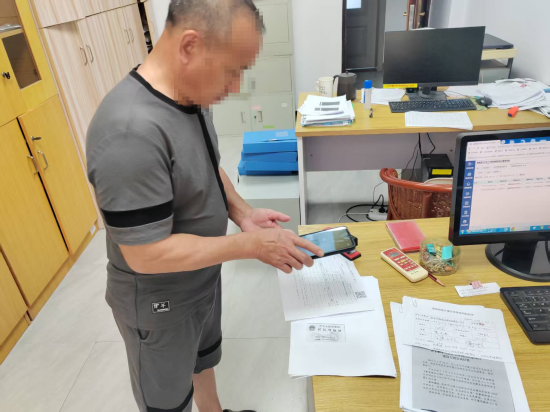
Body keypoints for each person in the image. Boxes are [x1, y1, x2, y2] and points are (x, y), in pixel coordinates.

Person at [86, 0, 323, 411]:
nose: (236, 86)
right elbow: (145, 254)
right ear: (190, 46)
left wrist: (243, 214)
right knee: (167, 400)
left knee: (202, 359)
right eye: (232, 71)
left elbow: (206, 166)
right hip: (160, 301)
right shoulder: (129, 133)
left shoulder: (189, 96)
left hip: (200, 274)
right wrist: (248, 246)